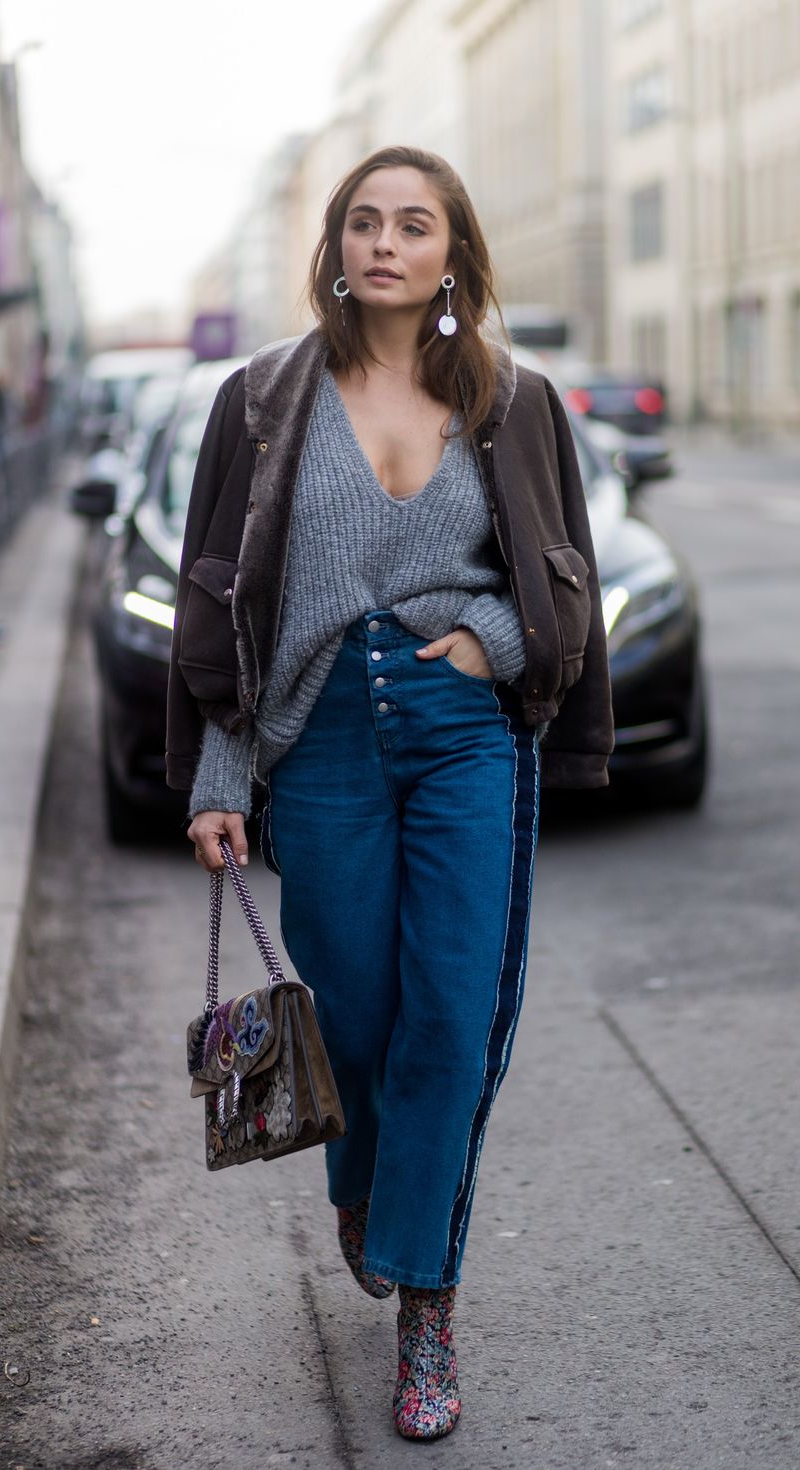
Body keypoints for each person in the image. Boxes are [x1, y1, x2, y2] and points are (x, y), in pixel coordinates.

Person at [166, 144, 614, 1441]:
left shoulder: (512, 399)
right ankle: (365, 1186)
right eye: (363, 222)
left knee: (450, 1019)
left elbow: (564, 569)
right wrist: (215, 772)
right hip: (321, 743)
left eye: (413, 225)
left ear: (452, 254)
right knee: (356, 1017)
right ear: (336, 249)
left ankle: (426, 1303)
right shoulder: (263, 400)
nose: (385, 243)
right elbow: (216, 600)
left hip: (463, 729)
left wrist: (499, 641)